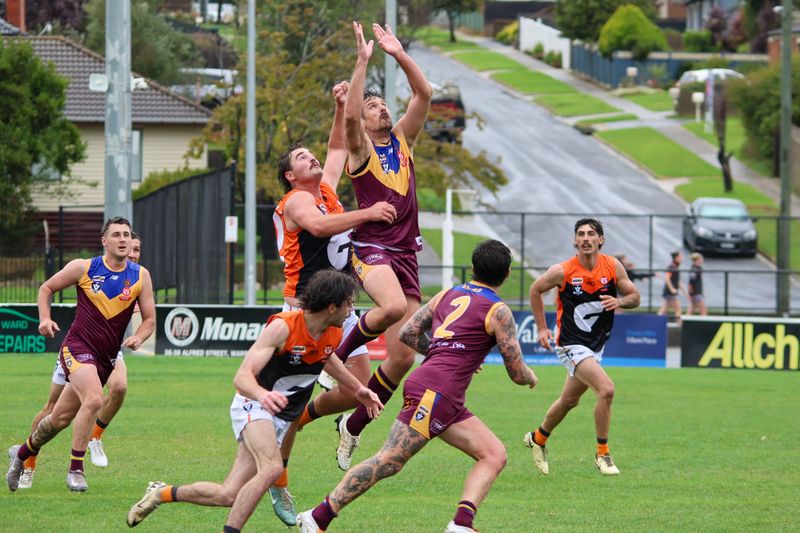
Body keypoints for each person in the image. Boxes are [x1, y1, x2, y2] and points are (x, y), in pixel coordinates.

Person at [297, 240, 538, 533]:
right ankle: (317, 517)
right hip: (435, 393)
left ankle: (461, 524)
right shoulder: (498, 311)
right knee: (389, 460)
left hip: (442, 395)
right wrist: (530, 377)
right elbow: (515, 371)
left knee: (494, 454)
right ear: (508, 273)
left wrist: (441, 350)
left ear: (473, 268)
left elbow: (410, 332)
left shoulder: (448, 293)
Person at [126, 270, 383, 532]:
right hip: (254, 403)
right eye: (349, 304)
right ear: (331, 307)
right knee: (271, 467)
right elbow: (242, 377)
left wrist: (358, 389)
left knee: (227, 494)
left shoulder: (332, 333)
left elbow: (327, 358)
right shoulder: (283, 327)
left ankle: (160, 493)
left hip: (279, 416)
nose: (352, 311)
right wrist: (263, 395)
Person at [269, 81, 396, 525]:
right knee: (286, 409)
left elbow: (338, 145)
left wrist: (341, 107)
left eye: (312, 155)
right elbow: (321, 230)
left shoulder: (322, 188)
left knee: (359, 390)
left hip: (339, 306)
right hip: (304, 309)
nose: (314, 159)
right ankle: (278, 482)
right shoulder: (296, 201)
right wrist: (367, 213)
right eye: (303, 158)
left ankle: (307, 418)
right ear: (290, 174)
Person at [331, 20, 433, 472]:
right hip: (371, 248)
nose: (381, 110)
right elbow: (349, 119)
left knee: (404, 354)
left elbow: (424, 94)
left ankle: (351, 426)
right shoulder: (361, 151)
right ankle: (330, 359)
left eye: (383, 104)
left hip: (406, 252)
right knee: (391, 307)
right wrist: (362, 63)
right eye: (375, 106)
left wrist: (398, 53)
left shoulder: (404, 141)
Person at [7, 217, 155, 492]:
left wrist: (139, 337)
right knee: (95, 399)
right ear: (104, 241)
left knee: (59, 420)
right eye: (117, 235)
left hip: (106, 358)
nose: (123, 239)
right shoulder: (84, 267)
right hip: (78, 347)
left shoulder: (140, 275)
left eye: (126, 234)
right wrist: (44, 319)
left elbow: (149, 320)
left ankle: (22, 454)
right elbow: (46, 288)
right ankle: (76, 469)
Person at [524, 218, 640, 476]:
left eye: (591, 234)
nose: (586, 238)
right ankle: (603, 454)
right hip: (570, 344)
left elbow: (635, 297)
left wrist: (620, 302)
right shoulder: (563, 271)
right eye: (581, 234)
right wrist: (542, 328)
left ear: (601, 240)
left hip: (595, 345)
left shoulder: (613, 266)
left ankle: (538, 438)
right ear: (575, 241)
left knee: (569, 400)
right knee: (606, 390)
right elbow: (535, 290)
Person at [657, 251, 684, 323]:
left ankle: (654, 324)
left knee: (663, 311)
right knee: (678, 310)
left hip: (670, 293)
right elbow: (667, 278)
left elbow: (678, 282)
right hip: (670, 293)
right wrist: (672, 289)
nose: (682, 258)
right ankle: (680, 327)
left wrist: (684, 292)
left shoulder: (676, 267)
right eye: (680, 257)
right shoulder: (671, 267)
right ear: (676, 258)